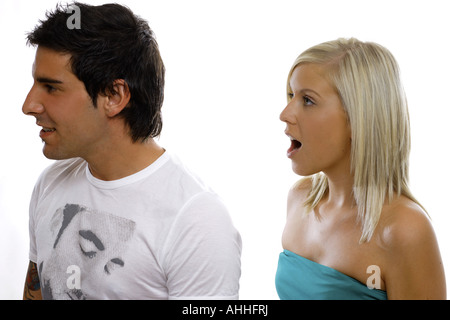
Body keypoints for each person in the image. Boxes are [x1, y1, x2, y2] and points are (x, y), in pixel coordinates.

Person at [22, 2, 241, 300]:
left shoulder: (196, 219)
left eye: (51, 87)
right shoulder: (50, 184)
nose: (29, 105)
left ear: (114, 96)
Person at [275, 38, 446, 300]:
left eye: (307, 100)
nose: (285, 114)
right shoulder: (300, 199)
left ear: (358, 118)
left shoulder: (404, 230)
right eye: (291, 95)